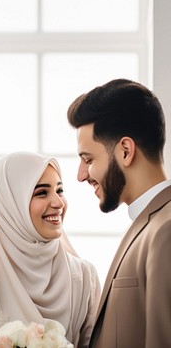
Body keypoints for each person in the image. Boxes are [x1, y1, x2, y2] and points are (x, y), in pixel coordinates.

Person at [67, 78, 171, 348]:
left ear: (125, 151)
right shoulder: (149, 223)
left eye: (88, 160)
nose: (80, 175)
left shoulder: (166, 230)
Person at [0, 151, 101, 348]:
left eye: (60, 190)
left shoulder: (83, 276)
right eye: (41, 192)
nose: (58, 203)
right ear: (7, 205)